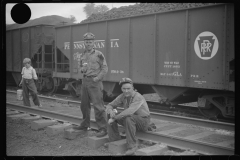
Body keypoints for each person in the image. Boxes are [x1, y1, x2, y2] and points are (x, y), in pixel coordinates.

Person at [73, 32, 108, 138]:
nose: (88, 43)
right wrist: (82, 69)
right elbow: (80, 67)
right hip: (85, 82)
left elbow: (105, 68)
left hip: (95, 82)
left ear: (93, 43)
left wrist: (97, 78)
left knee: (98, 106)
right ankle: (85, 125)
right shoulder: (82, 55)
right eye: (86, 42)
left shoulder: (99, 54)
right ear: (84, 43)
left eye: (90, 42)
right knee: (84, 105)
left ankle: (102, 129)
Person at [105, 77, 152, 155]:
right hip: (131, 119)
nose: (126, 91)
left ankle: (132, 147)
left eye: (128, 88)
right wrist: (110, 111)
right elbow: (110, 105)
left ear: (132, 88)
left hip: (143, 121)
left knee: (128, 117)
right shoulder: (122, 96)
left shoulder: (138, 97)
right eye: (124, 89)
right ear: (121, 89)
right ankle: (114, 140)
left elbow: (130, 111)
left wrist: (114, 118)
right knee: (110, 114)